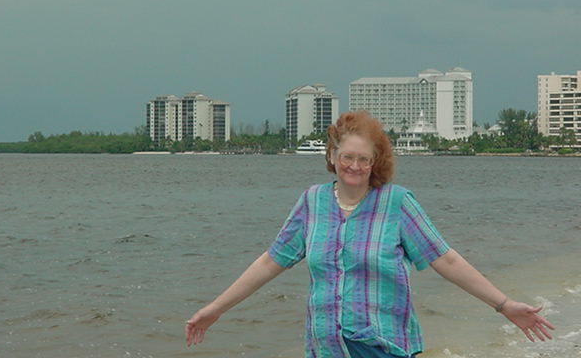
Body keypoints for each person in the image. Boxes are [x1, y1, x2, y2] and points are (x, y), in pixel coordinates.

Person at [185, 111, 554, 357]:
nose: (354, 166)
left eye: (364, 159)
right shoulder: (312, 202)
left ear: (376, 161)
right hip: (325, 345)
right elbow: (270, 261)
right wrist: (214, 310)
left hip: (383, 346)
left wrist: (504, 306)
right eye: (347, 157)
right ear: (332, 155)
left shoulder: (397, 203)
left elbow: (446, 258)